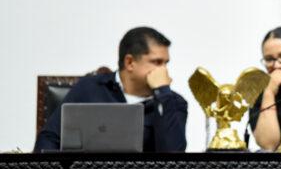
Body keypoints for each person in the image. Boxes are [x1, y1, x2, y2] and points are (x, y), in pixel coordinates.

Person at [34, 27, 187, 152]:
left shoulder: (174, 103)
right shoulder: (89, 88)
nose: (164, 70)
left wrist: (162, 93)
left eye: (166, 63)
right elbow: (49, 139)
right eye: (157, 62)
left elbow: (173, 157)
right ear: (130, 62)